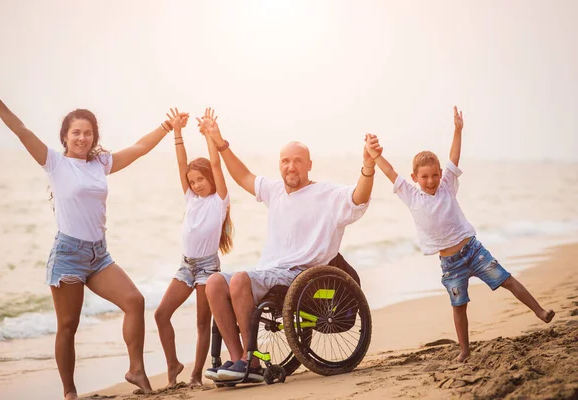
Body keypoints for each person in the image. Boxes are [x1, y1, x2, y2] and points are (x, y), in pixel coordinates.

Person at [0, 76, 176, 399]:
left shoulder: (101, 163)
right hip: (68, 254)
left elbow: (139, 149)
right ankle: (69, 392)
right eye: (76, 133)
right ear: (65, 137)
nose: (82, 138)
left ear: (94, 136)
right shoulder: (54, 163)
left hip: (99, 255)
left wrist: (166, 128)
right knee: (68, 327)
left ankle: (136, 369)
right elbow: (22, 130)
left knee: (134, 302)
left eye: (88, 132)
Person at [365, 106, 555, 363]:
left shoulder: (447, 186)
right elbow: (389, 173)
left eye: (434, 175)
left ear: (440, 175)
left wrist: (457, 129)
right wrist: (374, 155)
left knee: (506, 280)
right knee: (459, 306)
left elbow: (454, 158)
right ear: (415, 177)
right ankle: (464, 349)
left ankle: (540, 311)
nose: (430, 181)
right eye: (424, 177)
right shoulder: (411, 195)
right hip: (450, 264)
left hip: (473, 250)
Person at [196, 111, 376, 382]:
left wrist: (368, 167)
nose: (291, 167)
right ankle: (238, 359)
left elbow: (358, 198)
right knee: (214, 283)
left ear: (309, 165)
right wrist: (220, 143)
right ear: (279, 165)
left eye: (297, 161)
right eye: (285, 161)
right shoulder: (275, 191)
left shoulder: (326, 194)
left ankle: (252, 361)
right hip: (270, 271)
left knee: (240, 280)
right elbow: (242, 176)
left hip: (301, 275)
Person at [154, 108, 233, 387]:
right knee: (161, 314)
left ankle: (196, 375)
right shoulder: (190, 198)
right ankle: (173, 363)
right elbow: (181, 163)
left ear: (210, 179)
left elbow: (215, 163)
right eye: (193, 182)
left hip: (208, 268)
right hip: (185, 266)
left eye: (201, 180)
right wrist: (177, 131)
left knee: (202, 324)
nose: (197, 185)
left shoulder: (219, 200)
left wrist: (210, 135)